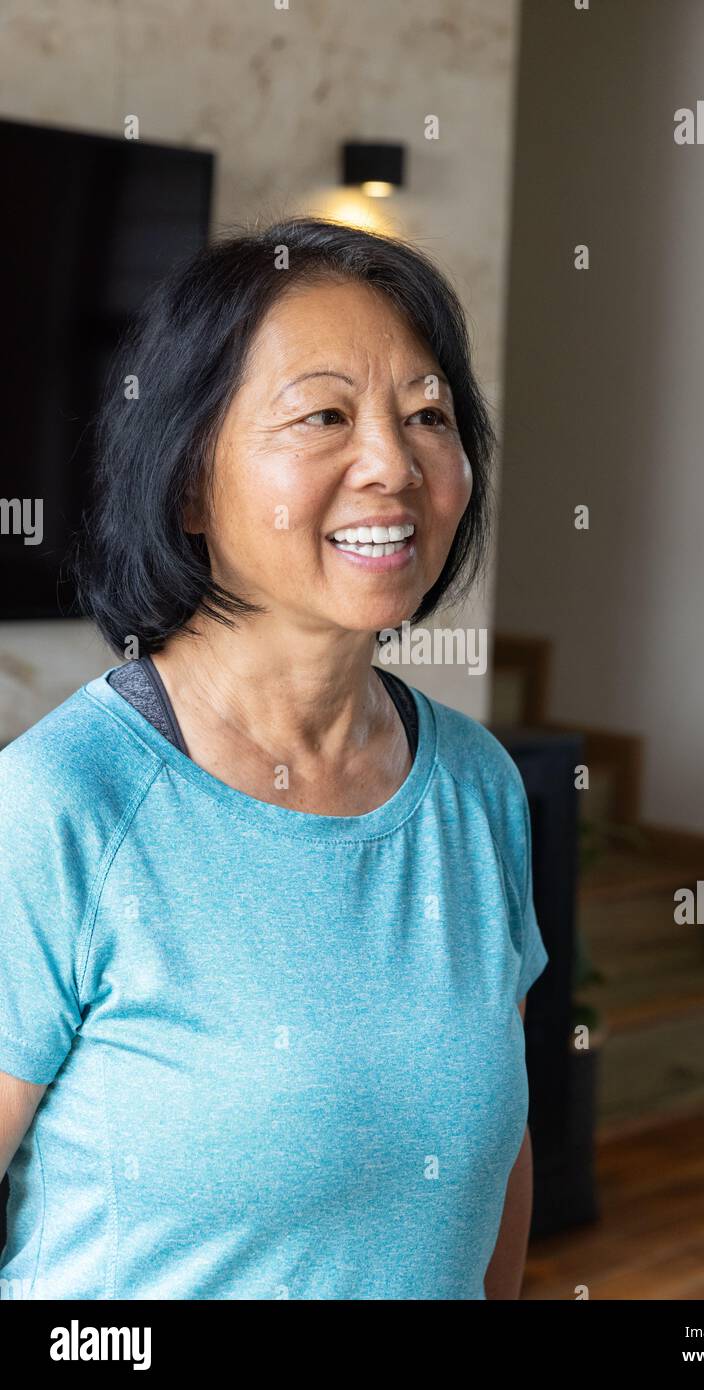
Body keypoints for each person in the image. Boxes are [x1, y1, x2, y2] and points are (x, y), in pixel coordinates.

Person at [0, 216, 548, 1300]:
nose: (392, 463)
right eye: (325, 415)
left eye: (427, 414)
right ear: (190, 483)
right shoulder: (63, 803)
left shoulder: (477, 788)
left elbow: (497, 1164)